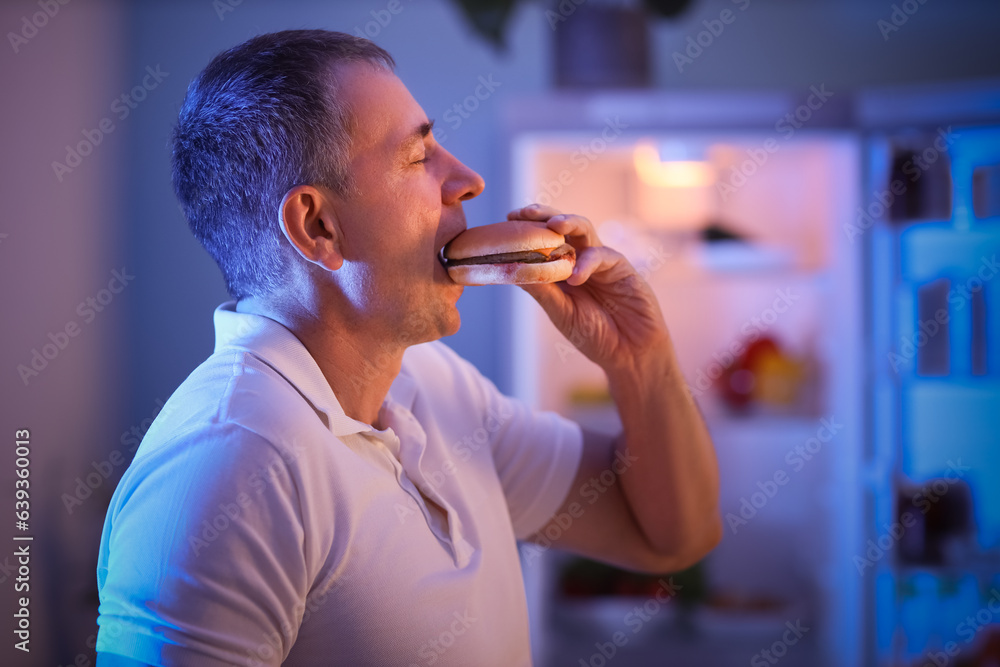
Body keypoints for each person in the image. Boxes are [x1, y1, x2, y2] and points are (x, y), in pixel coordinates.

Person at [95, 29, 721, 666]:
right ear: (318, 226)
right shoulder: (228, 469)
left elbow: (670, 538)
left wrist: (639, 359)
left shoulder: (433, 382)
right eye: (420, 158)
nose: (470, 181)